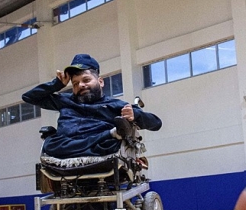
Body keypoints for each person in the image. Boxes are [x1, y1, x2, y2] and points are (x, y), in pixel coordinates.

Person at [22, 54, 162, 159]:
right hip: (78, 144)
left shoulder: (115, 105)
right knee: (50, 144)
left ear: (100, 82)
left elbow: (156, 123)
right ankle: (110, 134)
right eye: (75, 83)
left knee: (110, 143)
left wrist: (135, 115)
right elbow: (28, 97)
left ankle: (109, 136)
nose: (81, 85)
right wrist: (56, 85)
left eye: (86, 80)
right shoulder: (65, 101)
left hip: (95, 145)